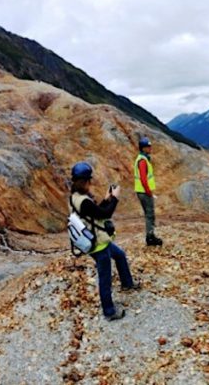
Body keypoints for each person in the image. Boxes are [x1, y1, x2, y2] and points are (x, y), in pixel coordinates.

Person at [70, 161, 138, 321]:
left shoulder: (75, 197)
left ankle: (127, 283)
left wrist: (106, 199)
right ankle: (109, 311)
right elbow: (105, 214)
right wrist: (115, 198)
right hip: (98, 245)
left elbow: (96, 212)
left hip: (97, 240)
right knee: (105, 277)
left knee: (120, 255)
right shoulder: (84, 201)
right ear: (87, 181)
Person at [134, 136, 163, 246]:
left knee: (149, 214)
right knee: (150, 214)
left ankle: (150, 235)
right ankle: (150, 237)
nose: (150, 148)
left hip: (142, 191)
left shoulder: (143, 159)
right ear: (143, 148)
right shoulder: (142, 160)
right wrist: (148, 191)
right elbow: (143, 178)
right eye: (148, 146)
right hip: (144, 192)